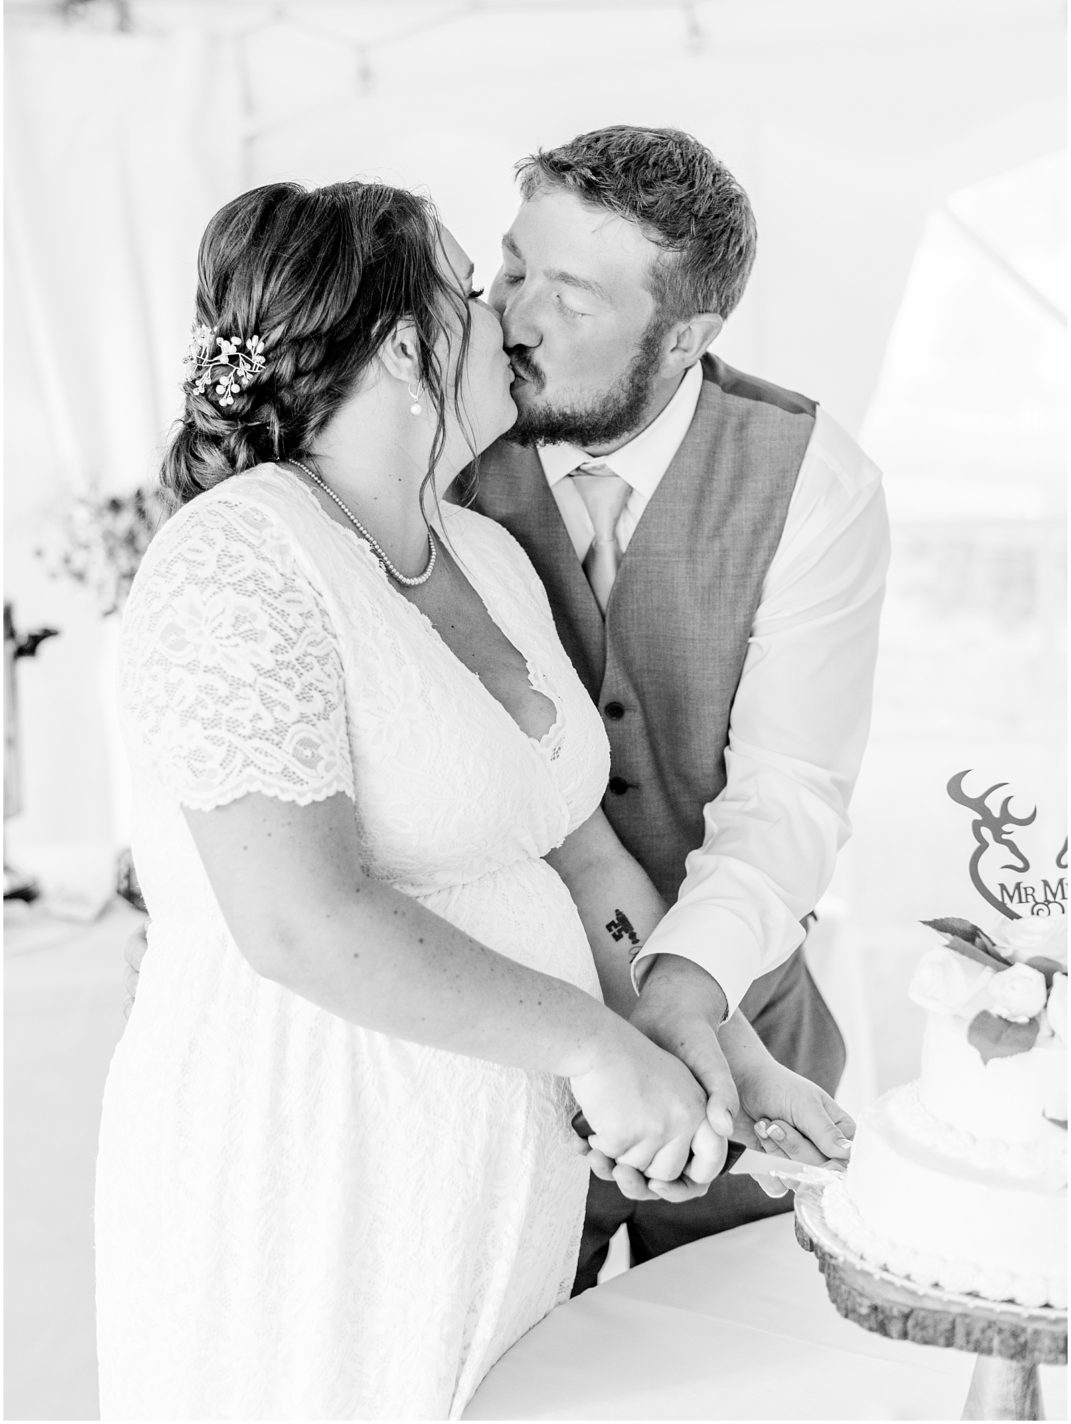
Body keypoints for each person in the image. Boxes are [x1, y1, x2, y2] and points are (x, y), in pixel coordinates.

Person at [99, 178, 849, 1421]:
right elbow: (299, 921)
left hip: (491, 1188)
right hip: (313, 1171)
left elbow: (584, 853)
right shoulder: (239, 557)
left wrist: (720, 1045)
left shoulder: (485, 557)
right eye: (466, 284)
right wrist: (593, 1046)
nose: (495, 310)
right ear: (405, 342)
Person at [467, 124, 890, 1291]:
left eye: (572, 297)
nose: (514, 318)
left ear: (687, 336)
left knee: (733, 1361)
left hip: (742, 1025)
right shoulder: (433, 444)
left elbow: (790, 794)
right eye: (511, 267)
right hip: (497, 1036)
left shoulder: (816, 480)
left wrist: (690, 1001)